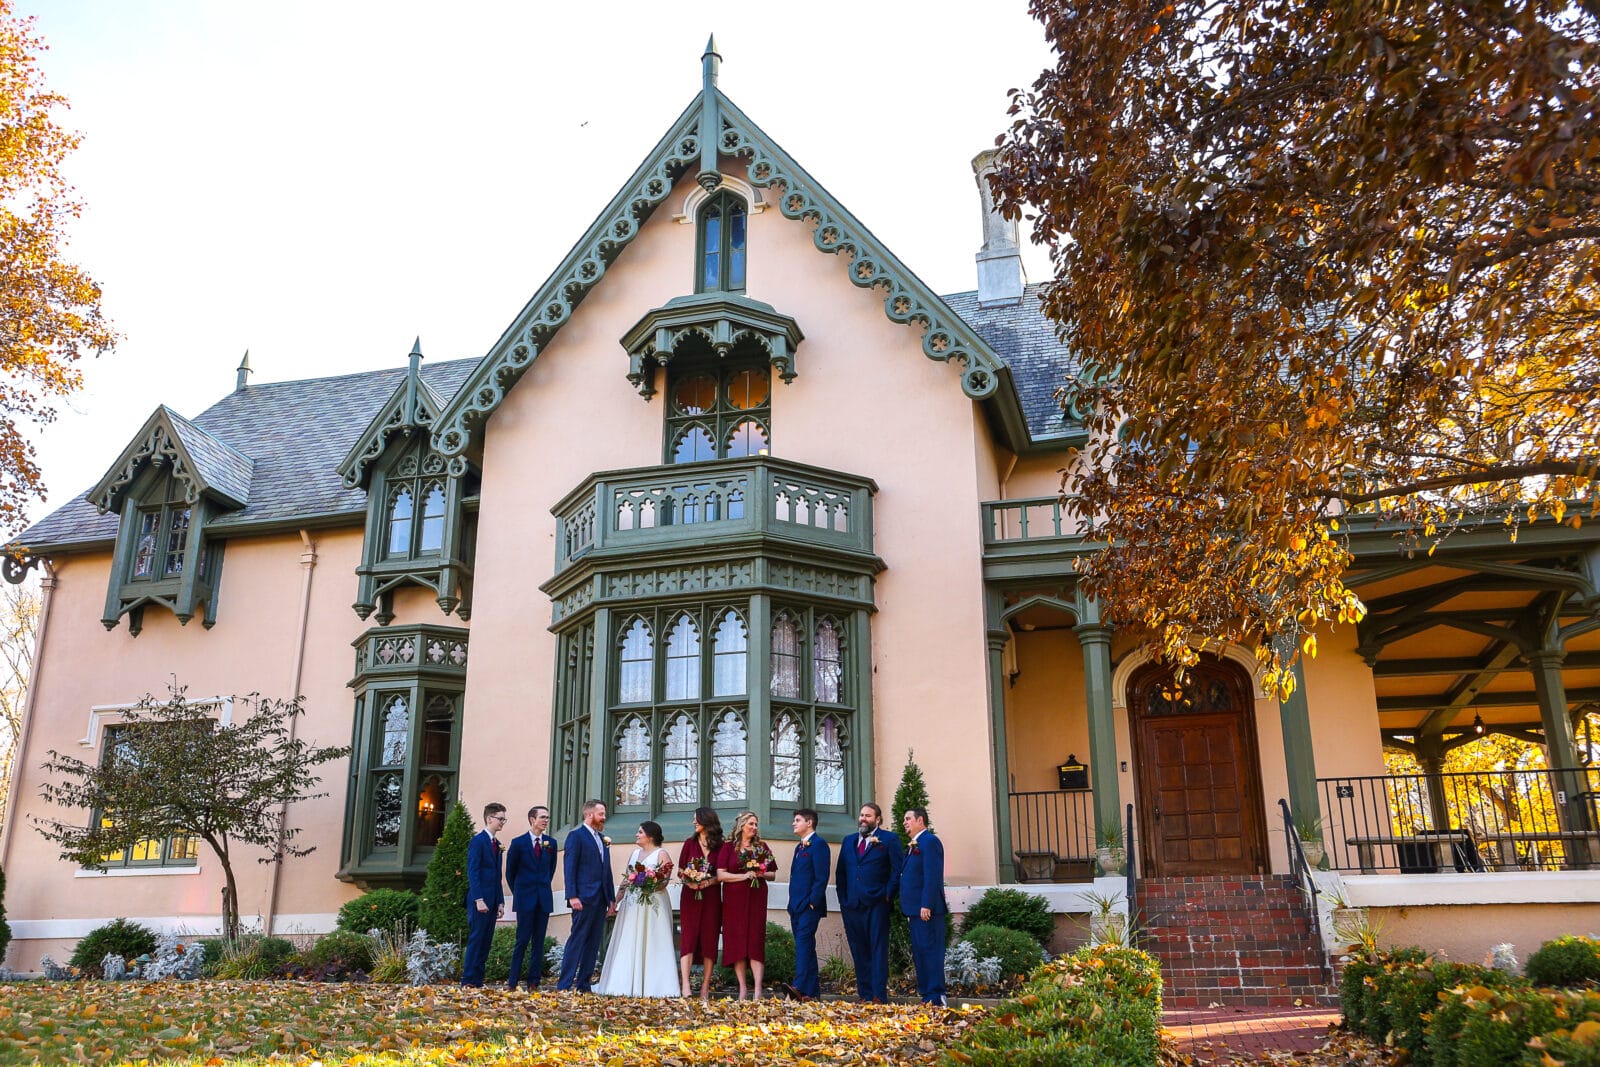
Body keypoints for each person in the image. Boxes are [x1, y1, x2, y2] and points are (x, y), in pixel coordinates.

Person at [595, 820, 679, 997]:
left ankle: (656, 985)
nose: (637, 835)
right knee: (629, 938)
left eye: (640, 832)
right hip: (633, 904)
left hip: (652, 902)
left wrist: (648, 886)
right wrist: (615, 901)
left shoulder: (661, 854)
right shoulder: (634, 854)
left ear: (650, 836)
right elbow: (626, 880)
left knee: (653, 939)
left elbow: (663, 881)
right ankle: (625, 982)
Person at [836, 801, 903, 1002]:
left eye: (868, 816)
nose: (863, 819)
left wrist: (887, 894)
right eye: (862, 815)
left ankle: (878, 995)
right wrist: (843, 900)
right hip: (852, 905)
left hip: (877, 903)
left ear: (878, 820)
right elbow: (841, 873)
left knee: (877, 949)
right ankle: (864, 994)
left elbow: (898, 869)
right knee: (859, 950)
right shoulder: (848, 841)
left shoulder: (888, 840)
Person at [716, 810, 777, 1000]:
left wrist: (759, 873)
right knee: (737, 943)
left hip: (756, 898)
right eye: (751, 824)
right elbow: (721, 875)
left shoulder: (762, 847)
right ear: (742, 825)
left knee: (755, 941)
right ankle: (742, 988)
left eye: (756, 824)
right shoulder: (728, 848)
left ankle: (757, 989)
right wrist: (744, 875)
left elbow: (772, 874)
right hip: (734, 902)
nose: (754, 827)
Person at [556, 798, 616, 992]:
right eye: (601, 814)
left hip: (600, 899)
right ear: (589, 814)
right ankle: (564, 984)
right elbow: (569, 868)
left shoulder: (602, 839)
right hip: (582, 898)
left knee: (593, 944)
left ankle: (584, 984)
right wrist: (572, 896)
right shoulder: (576, 836)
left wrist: (611, 899)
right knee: (577, 940)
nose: (604, 817)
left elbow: (607, 871)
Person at [504, 804, 556, 991]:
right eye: (543, 817)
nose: (546, 821)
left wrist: (541, 888)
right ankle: (512, 981)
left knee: (539, 941)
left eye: (547, 818)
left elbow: (550, 871)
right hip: (524, 898)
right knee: (522, 940)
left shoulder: (551, 843)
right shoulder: (518, 843)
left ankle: (534, 981)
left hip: (543, 898)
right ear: (532, 820)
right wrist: (520, 892)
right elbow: (510, 872)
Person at [900, 806, 947, 1006]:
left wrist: (926, 904)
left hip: (928, 910)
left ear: (921, 821)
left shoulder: (930, 842)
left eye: (908, 818)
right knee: (920, 954)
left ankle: (937, 996)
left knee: (931, 952)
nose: (905, 822)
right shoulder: (913, 845)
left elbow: (932, 875)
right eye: (904, 819)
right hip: (915, 911)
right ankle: (927, 996)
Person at [677, 807, 725, 1001]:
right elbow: (681, 870)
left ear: (706, 820)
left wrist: (708, 881)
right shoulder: (689, 844)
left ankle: (705, 986)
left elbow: (722, 873)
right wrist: (691, 881)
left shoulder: (721, 846)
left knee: (709, 940)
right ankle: (686, 985)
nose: (694, 822)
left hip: (712, 898)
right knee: (688, 938)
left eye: (696, 819)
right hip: (690, 897)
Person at [461, 802, 507, 987]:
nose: (503, 822)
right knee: (477, 939)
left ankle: (478, 980)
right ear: (490, 818)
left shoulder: (497, 844)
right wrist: (478, 899)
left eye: (504, 819)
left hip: (493, 900)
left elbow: (498, 876)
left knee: (486, 941)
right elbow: (473, 872)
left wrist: (501, 902)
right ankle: (468, 980)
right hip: (479, 900)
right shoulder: (478, 841)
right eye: (500, 819)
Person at [786, 808, 830, 1000]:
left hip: (809, 906)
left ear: (809, 822)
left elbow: (822, 877)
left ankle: (799, 986)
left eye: (797, 820)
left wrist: (813, 902)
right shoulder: (799, 847)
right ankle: (812, 993)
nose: (794, 823)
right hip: (795, 906)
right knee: (806, 946)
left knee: (803, 944)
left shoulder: (819, 845)